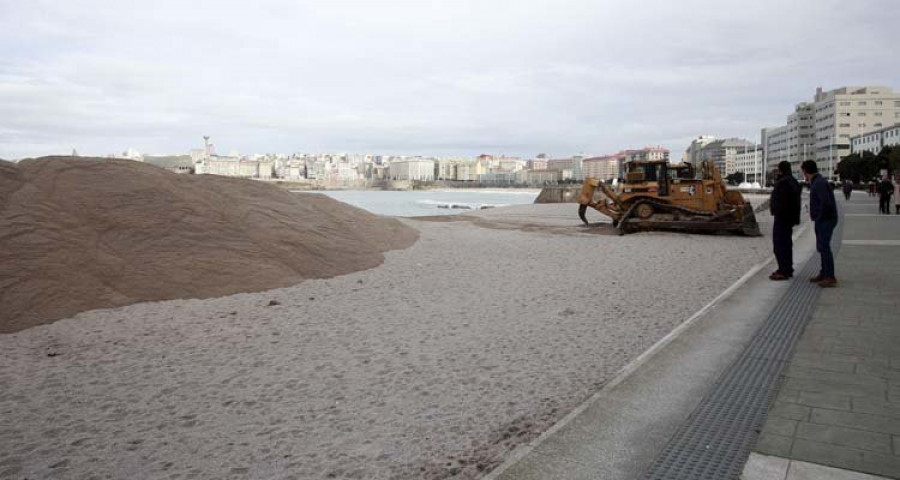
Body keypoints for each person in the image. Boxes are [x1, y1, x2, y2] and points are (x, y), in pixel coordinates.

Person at [802, 160, 838, 287]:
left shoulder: (818, 183)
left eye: (803, 172)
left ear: (806, 171)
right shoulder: (818, 182)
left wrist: (819, 217)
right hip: (825, 218)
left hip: (826, 219)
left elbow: (825, 202)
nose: (803, 175)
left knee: (824, 247)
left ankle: (830, 276)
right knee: (822, 246)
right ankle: (824, 273)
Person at [769, 161, 801, 281]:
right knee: (786, 244)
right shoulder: (792, 181)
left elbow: (783, 202)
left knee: (780, 244)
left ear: (780, 169)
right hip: (788, 218)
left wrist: (777, 211)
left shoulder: (784, 182)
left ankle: (784, 270)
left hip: (782, 218)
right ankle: (786, 268)